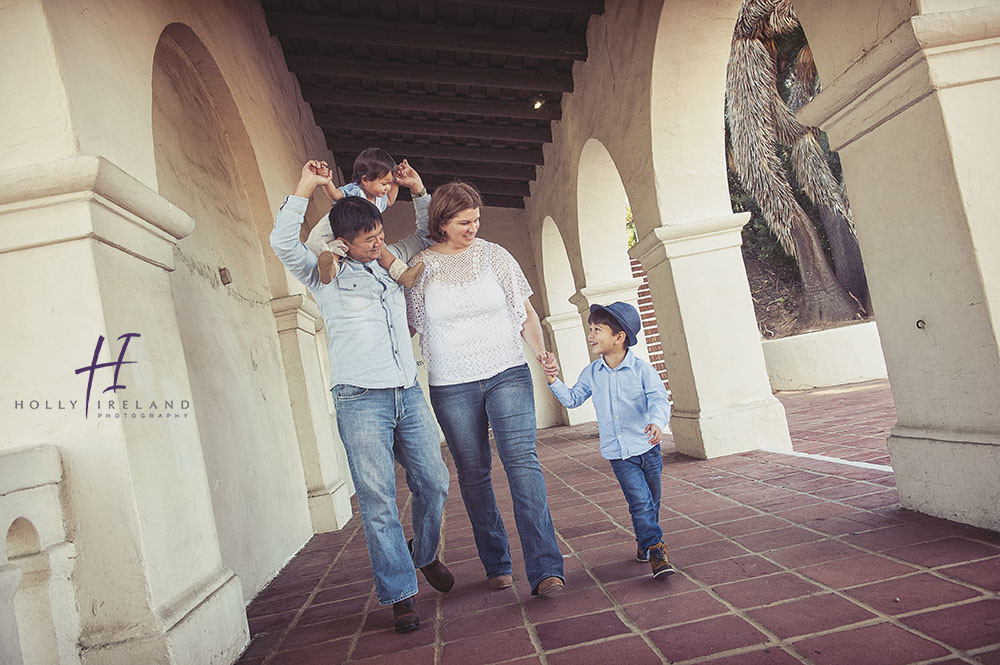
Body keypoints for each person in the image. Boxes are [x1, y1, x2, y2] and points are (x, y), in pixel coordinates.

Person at [270, 159, 451, 634]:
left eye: (378, 234)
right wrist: (306, 186)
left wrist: (418, 190)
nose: (378, 242)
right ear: (342, 241)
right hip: (359, 398)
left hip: (406, 391)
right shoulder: (321, 273)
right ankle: (400, 594)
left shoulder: (388, 258)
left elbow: (428, 236)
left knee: (433, 481)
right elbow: (281, 243)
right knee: (377, 500)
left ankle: (424, 553)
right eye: (368, 238)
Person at [406, 181, 565, 596]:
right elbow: (407, 327)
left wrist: (541, 353)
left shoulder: (496, 257)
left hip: (506, 371)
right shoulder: (421, 268)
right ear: (441, 222)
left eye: (477, 219)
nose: (473, 227)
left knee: (522, 463)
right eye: (464, 222)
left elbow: (525, 313)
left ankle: (546, 568)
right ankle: (496, 561)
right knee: (474, 474)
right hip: (450, 384)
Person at [543, 302, 675, 578]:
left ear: (619, 337)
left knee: (652, 501)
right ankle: (656, 550)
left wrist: (657, 422)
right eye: (591, 328)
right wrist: (554, 380)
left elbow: (658, 399)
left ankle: (644, 540)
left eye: (598, 329)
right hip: (619, 454)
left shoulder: (642, 370)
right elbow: (573, 398)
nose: (591, 334)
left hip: (648, 448)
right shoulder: (592, 373)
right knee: (639, 502)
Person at [306, 148, 425, 287]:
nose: (387, 188)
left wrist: (397, 181)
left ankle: (403, 274)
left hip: (363, 239)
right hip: (341, 230)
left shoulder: (379, 199)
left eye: (389, 183)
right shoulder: (356, 191)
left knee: (381, 250)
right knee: (337, 247)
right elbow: (336, 195)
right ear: (365, 180)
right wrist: (326, 181)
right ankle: (330, 268)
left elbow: (390, 200)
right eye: (384, 184)